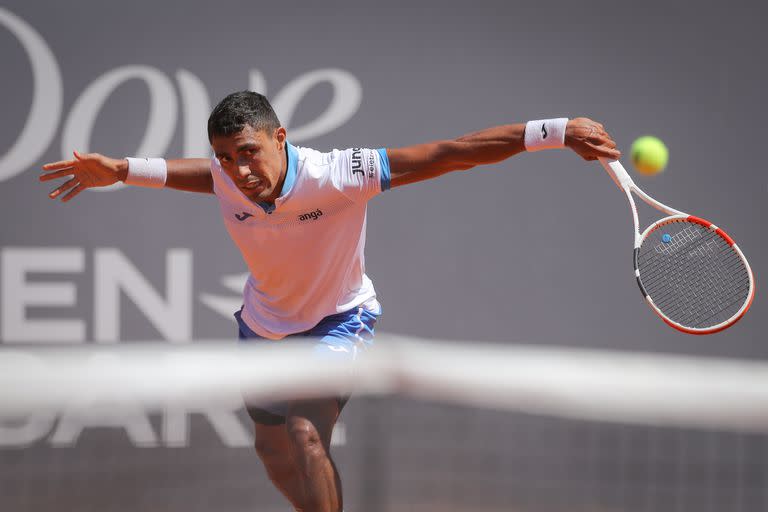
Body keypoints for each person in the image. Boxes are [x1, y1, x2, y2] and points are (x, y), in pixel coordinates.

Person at [40, 91, 620, 512]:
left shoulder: (339, 174)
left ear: (280, 138)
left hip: (339, 322)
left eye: (248, 153)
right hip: (264, 326)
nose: (238, 171)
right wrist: (118, 169)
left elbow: (452, 152)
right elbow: (190, 174)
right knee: (272, 451)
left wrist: (557, 130)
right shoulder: (224, 173)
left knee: (306, 435)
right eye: (225, 157)